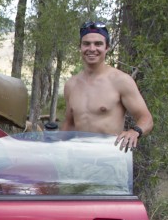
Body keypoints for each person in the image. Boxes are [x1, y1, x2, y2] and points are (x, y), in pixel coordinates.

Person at [60, 21, 153, 151]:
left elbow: (146, 118)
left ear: (107, 47)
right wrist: (58, 150)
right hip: (78, 159)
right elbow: (69, 124)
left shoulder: (121, 81)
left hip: (109, 160)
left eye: (98, 44)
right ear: (80, 47)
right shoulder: (71, 85)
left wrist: (134, 132)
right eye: (86, 44)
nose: (92, 49)